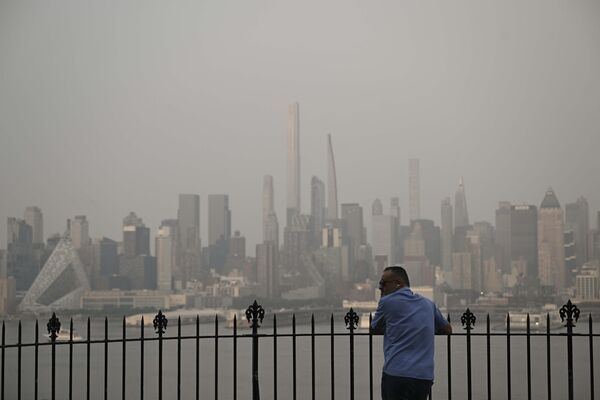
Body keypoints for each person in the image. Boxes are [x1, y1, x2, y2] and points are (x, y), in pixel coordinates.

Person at [370, 265, 452, 400]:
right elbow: (447, 330)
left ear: (398, 283)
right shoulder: (428, 304)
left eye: (383, 283)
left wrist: (393, 328)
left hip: (396, 373)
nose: (380, 287)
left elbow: (373, 329)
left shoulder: (386, 302)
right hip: (423, 376)